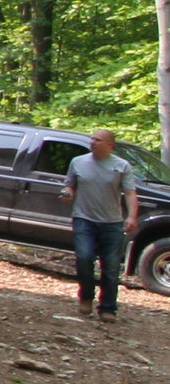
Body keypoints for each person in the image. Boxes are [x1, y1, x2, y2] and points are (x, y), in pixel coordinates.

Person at [62, 128, 142, 319]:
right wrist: (68, 193)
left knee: (111, 266)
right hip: (84, 219)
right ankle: (86, 297)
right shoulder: (78, 162)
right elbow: (70, 185)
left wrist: (131, 217)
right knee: (84, 257)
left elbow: (130, 193)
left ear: (110, 145)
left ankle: (108, 308)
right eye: (92, 139)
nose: (92, 142)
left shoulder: (122, 166)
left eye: (98, 140)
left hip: (112, 222)